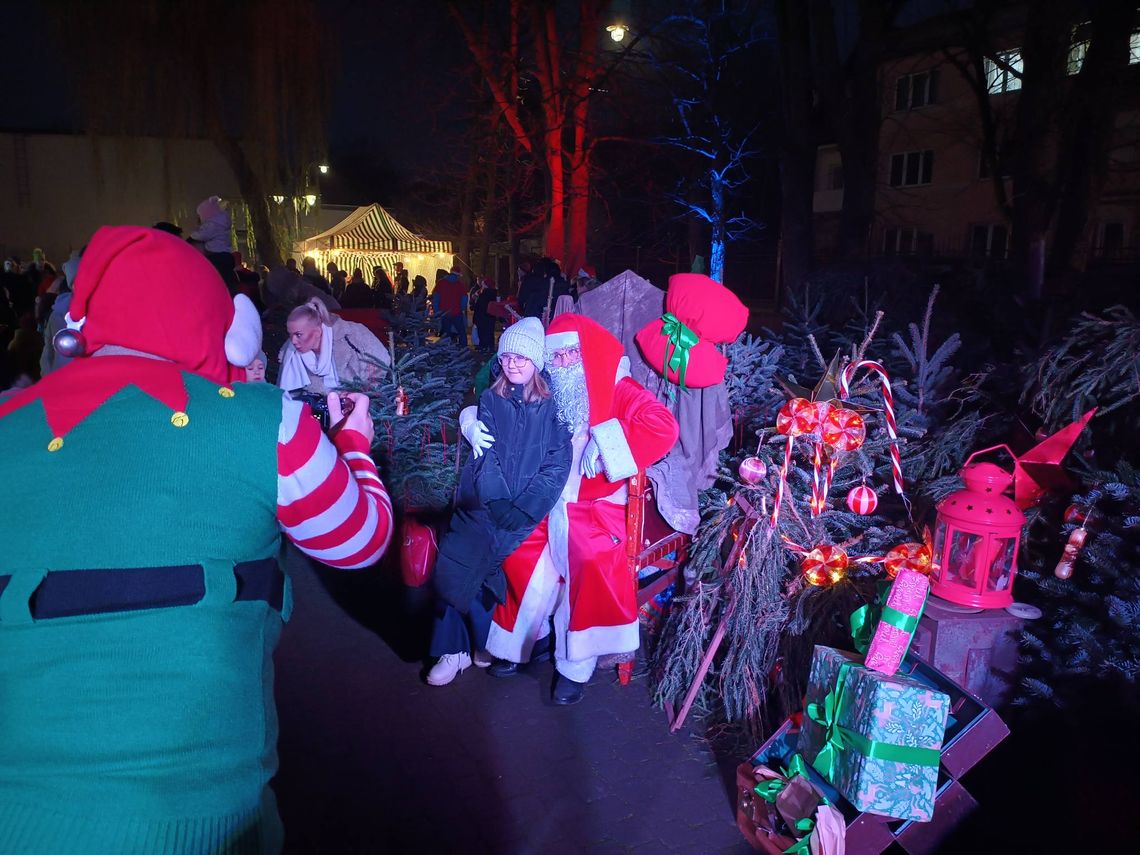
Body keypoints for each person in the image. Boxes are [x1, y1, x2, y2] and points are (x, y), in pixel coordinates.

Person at [0, 225, 393, 851]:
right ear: (219, 324)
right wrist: (356, 447)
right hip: (202, 821)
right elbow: (361, 539)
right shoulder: (266, 420)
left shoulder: (7, 422)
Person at [460, 314, 678, 704]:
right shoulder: (542, 388)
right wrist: (471, 421)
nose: (562, 366)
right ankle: (522, 641)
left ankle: (575, 663)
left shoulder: (616, 385)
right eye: (555, 358)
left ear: (587, 354)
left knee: (589, 560)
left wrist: (610, 440)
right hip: (541, 498)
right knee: (517, 555)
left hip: (592, 504)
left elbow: (661, 426)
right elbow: (494, 402)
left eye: (570, 356)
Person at [427, 318, 571, 685]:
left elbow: (556, 463)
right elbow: (484, 457)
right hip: (483, 500)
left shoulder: (552, 409)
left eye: (521, 357)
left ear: (536, 363)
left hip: (522, 510)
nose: (512, 364)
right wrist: (496, 500)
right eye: (506, 356)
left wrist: (525, 507)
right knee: (454, 564)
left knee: (489, 570)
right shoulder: (492, 398)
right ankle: (451, 650)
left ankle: (480, 641)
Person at [277, 297, 391, 394]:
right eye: (290, 334)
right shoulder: (290, 354)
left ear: (317, 332)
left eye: (298, 334)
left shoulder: (353, 337)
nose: (293, 341)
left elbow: (381, 361)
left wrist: (364, 393)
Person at [189, 195, 238, 294]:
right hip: (224, 254)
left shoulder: (213, 225)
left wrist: (193, 234)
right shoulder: (221, 223)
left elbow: (202, 235)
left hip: (216, 255)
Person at [432, 269, 468, 345]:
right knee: (461, 331)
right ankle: (463, 347)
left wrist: (437, 311)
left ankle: (447, 347)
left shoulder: (440, 283)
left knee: (446, 331)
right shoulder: (459, 284)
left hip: (444, 312)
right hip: (456, 311)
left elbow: (436, 298)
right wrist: (462, 308)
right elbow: (464, 298)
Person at [471, 275, 498, 355]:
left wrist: (475, 302)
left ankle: (483, 347)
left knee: (482, 333)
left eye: (483, 284)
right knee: (489, 332)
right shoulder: (493, 294)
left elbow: (478, 306)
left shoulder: (483, 295)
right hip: (490, 317)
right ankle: (490, 347)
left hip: (481, 317)